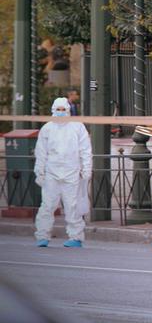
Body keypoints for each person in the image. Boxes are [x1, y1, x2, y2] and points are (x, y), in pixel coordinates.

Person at [34, 97, 93, 248]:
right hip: (51, 172)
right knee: (47, 205)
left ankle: (76, 237)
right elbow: (41, 152)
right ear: (53, 110)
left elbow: (85, 150)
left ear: (68, 110)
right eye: (58, 110)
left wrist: (86, 168)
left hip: (72, 172)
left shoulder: (77, 127)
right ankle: (42, 236)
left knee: (72, 206)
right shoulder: (47, 128)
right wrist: (39, 171)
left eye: (63, 110)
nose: (60, 112)